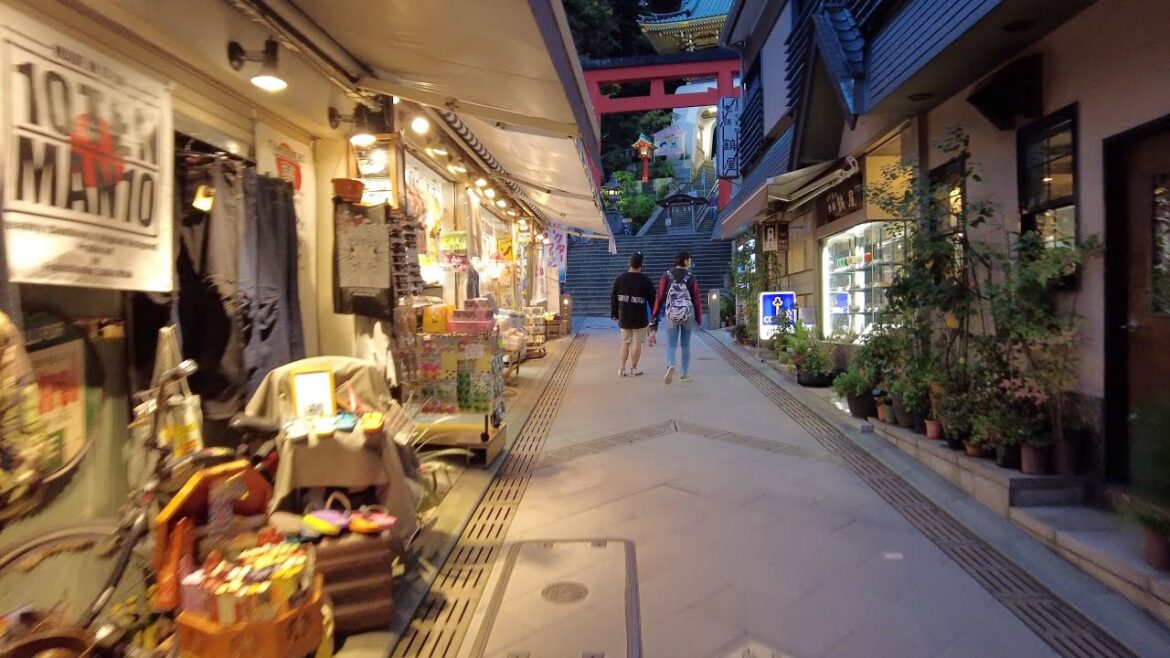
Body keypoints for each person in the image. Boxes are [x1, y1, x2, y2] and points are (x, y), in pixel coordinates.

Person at [652, 250, 701, 384]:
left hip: (671, 314)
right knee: (685, 345)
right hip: (688, 314)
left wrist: (655, 315)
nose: (690, 262)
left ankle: (671, 364)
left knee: (671, 344)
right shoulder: (691, 277)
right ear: (685, 261)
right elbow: (696, 299)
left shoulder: (666, 275)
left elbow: (660, 296)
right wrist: (699, 318)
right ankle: (684, 375)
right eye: (689, 260)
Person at [610, 251, 656, 377]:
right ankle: (634, 368)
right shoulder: (645, 280)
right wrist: (654, 314)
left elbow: (613, 297)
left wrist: (614, 313)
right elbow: (653, 299)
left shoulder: (620, 279)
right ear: (641, 264)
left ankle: (621, 369)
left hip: (624, 316)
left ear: (629, 263)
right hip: (640, 318)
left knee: (625, 342)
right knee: (636, 342)